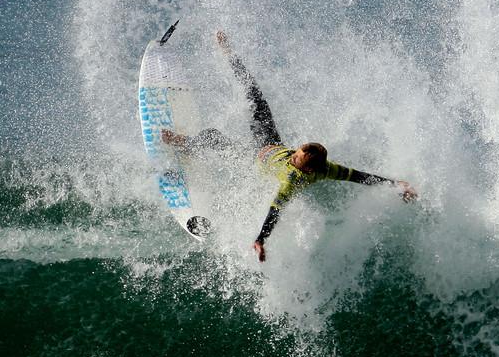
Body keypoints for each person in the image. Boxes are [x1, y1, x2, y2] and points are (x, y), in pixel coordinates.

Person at [162, 31, 418, 262]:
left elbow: (274, 211)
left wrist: (260, 240)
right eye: (296, 152)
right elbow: (360, 177)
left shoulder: (291, 180)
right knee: (255, 95)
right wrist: (396, 184)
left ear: (305, 170)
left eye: (295, 158)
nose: (292, 157)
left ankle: (184, 144)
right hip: (269, 141)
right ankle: (229, 53)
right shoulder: (327, 167)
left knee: (213, 137)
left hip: (255, 158)